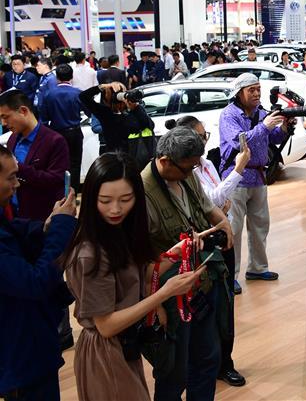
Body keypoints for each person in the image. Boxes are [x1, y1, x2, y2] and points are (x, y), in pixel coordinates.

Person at [62, 153, 204, 401]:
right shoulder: (90, 253)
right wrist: (165, 293)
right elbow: (106, 326)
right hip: (105, 352)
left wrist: (171, 256)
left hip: (124, 345)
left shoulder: (118, 232)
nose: (115, 209)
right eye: (104, 200)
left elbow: (133, 278)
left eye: (125, 199)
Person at [142, 127, 234, 401]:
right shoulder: (143, 194)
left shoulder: (187, 175)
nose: (192, 172)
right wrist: (156, 302)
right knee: (174, 370)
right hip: (172, 292)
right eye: (186, 168)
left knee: (207, 358)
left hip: (202, 280)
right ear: (165, 160)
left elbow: (206, 207)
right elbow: (142, 260)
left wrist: (223, 222)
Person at [166, 115, 249, 386]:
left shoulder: (207, 163)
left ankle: (224, 362)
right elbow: (213, 199)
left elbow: (214, 200)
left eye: (205, 136)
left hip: (222, 236)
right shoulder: (185, 171)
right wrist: (238, 170)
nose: (204, 143)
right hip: (200, 245)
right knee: (204, 310)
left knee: (226, 308)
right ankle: (206, 364)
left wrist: (218, 210)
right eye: (200, 138)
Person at [0, 144, 77, 401]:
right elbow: (36, 282)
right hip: (20, 363)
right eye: (11, 177)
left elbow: (13, 230)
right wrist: (61, 228)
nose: (17, 184)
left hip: (30, 349)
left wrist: (45, 227)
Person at [219, 73, 290, 287]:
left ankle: (258, 268)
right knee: (234, 228)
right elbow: (239, 141)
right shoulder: (229, 115)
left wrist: (285, 126)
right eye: (251, 90)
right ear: (239, 93)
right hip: (237, 177)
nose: (257, 93)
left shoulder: (261, 113)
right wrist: (265, 126)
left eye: (258, 88)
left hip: (259, 177)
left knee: (260, 225)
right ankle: (230, 276)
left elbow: (274, 138)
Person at [0, 90, 69, 221]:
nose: (3, 123)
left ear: (23, 111)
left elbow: (56, 181)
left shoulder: (55, 140)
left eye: (5, 117)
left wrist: (17, 168)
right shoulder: (12, 139)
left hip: (41, 217)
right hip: (15, 216)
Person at [41, 64, 85, 193]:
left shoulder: (49, 94)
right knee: (75, 164)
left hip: (56, 132)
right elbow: (88, 112)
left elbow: (44, 118)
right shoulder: (78, 93)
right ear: (71, 76)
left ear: (57, 78)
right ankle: (73, 193)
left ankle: (60, 193)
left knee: (58, 164)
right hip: (75, 131)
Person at [79, 83, 154, 154]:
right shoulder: (106, 113)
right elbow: (83, 96)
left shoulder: (133, 110)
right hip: (115, 156)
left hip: (134, 155)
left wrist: (135, 108)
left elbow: (149, 126)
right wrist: (103, 86)